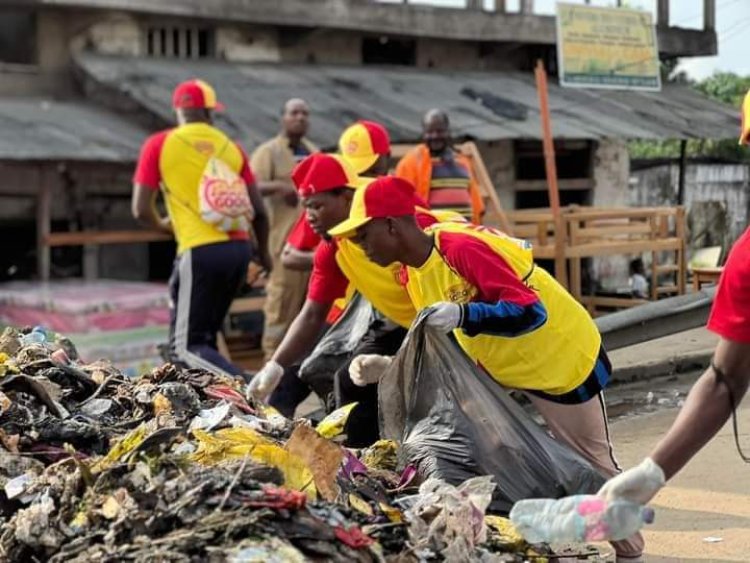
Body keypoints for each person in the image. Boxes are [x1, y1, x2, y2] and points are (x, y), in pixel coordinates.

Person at [330, 177, 643, 562]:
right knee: (476, 453)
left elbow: (531, 311)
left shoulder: (459, 248)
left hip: (557, 358)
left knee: (590, 463)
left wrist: (465, 313)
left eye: (364, 236)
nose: (360, 247)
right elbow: (444, 344)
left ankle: (630, 550)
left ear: (391, 225)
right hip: (498, 367)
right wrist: (392, 366)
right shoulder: (413, 274)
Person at [248, 154, 462, 446]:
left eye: (317, 206)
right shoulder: (333, 247)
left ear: (347, 198)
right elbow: (312, 313)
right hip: (399, 319)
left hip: (450, 319)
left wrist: (403, 360)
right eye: (306, 207)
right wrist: (275, 366)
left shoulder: (399, 219)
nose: (309, 216)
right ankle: (366, 462)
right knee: (349, 380)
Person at [132, 78, 270, 378]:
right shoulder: (231, 147)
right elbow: (259, 212)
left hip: (200, 251)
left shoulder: (159, 144)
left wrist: (166, 226)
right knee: (203, 341)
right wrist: (263, 258)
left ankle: (244, 386)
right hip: (239, 249)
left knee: (184, 347)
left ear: (178, 112)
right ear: (210, 112)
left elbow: (141, 209)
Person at [268, 121, 392, 417]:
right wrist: (341, 258)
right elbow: (292, 259)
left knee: (351, 388)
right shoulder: (327, 209)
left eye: (371, 169)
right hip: (340, 311)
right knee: (303, 379)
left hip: (387, 314)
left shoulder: (389, 200)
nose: (364, 180)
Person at [251, 99, 318, 361]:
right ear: (283, 118)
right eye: (294, 113)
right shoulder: (269, 153)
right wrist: (280, 188)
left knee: (310, 313)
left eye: (304, 113)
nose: (300, 117)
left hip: (312, 250)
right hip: (283, 249)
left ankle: (298, 377)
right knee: (280, 312)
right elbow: (251, 186)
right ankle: (271, 367)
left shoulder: (314, 153)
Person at [395, 108, 484, 224]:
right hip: (433, 235)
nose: (435, 136)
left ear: (448, 131)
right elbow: (401, 205)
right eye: (430, 132)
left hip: (466, 233)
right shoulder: (410, 163)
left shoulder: (463, 160)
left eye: (440, 131)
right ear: (423, 133)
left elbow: (476, 204)